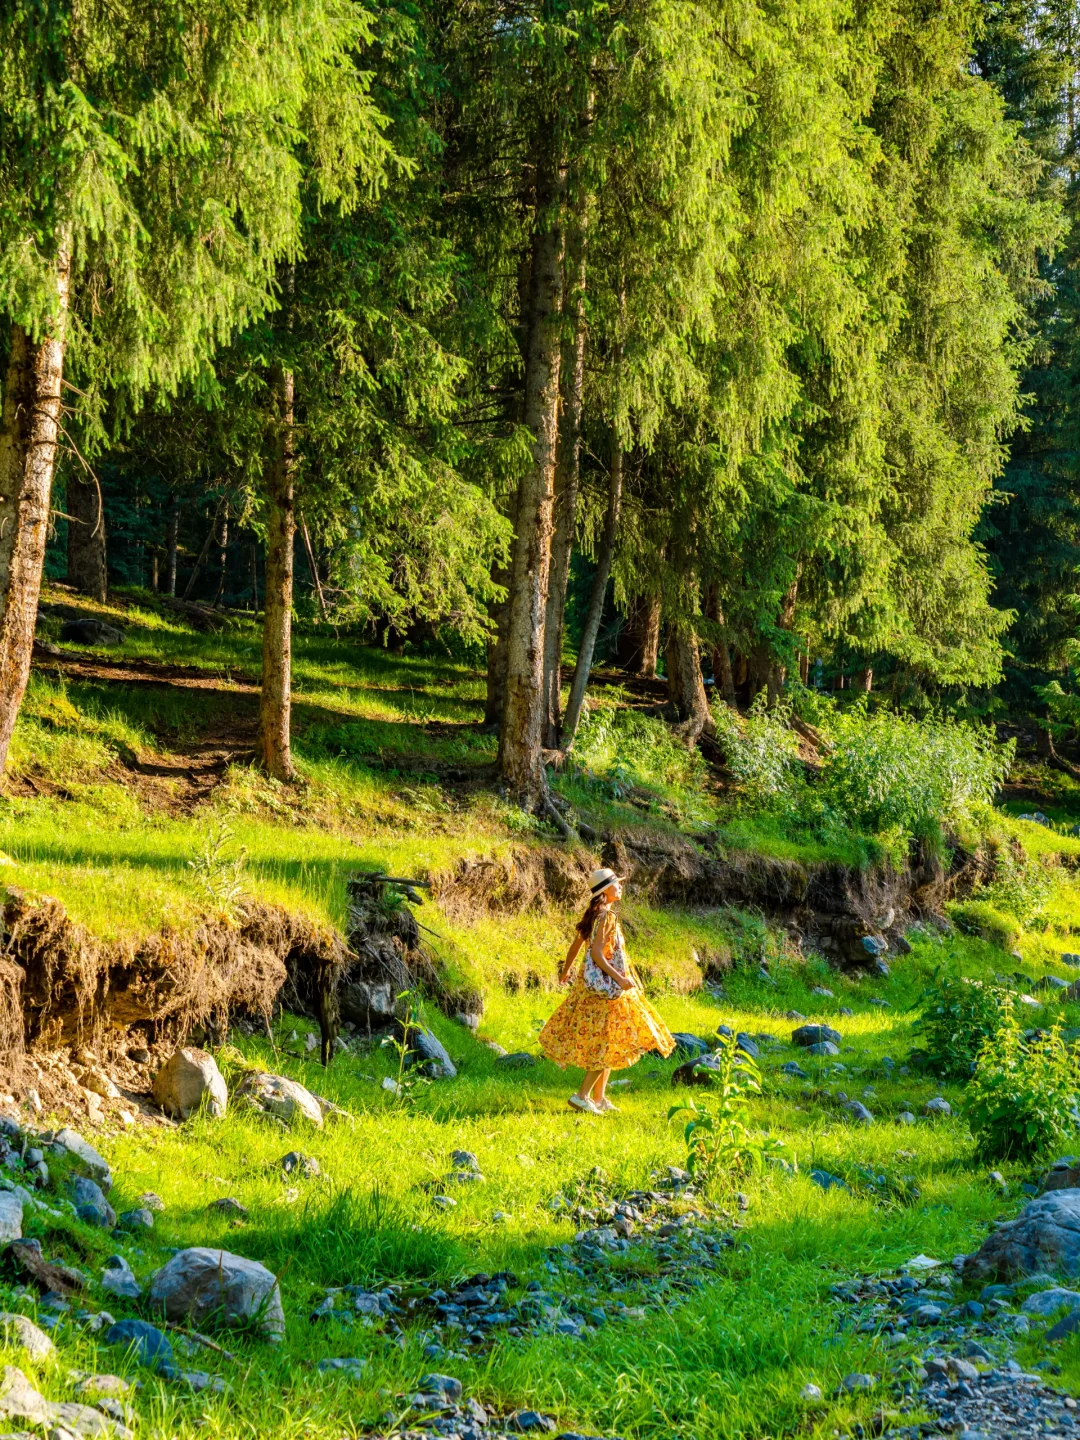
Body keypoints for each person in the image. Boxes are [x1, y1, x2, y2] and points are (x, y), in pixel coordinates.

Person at [538, 867, 675, 1113]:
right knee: (608, 1040)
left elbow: (576, 947)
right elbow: (597, 954)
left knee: (609, 1039)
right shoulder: (607, 917)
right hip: (606, 989)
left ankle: (599, 1098)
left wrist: (566, 971)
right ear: (605, 890)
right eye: (616, 884)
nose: (620, 887)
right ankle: (582, 1096)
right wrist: (620, 978)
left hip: (589, 987)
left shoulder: (594, 914)